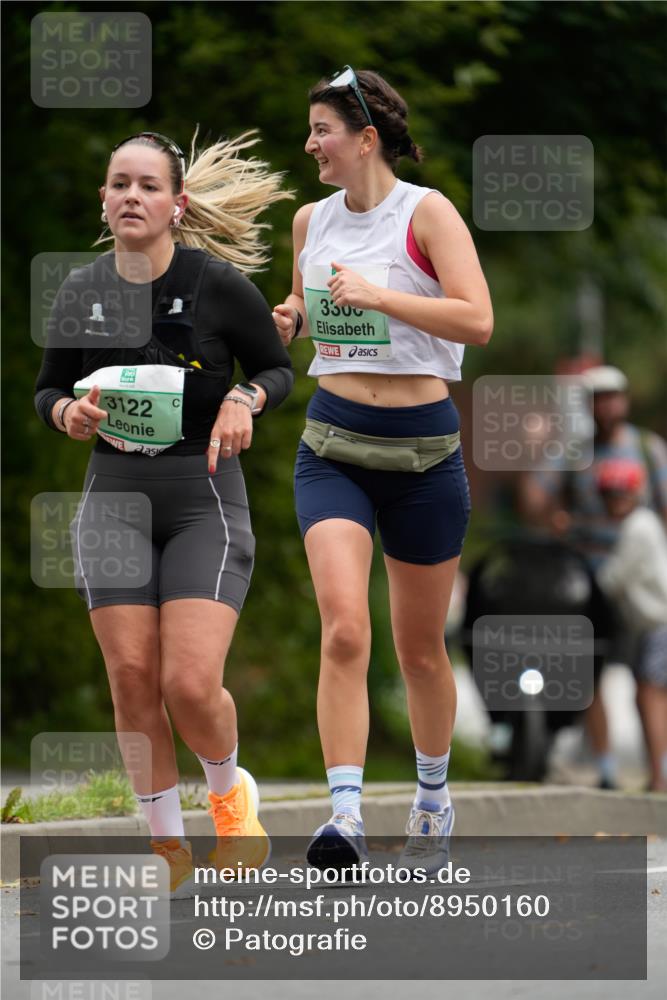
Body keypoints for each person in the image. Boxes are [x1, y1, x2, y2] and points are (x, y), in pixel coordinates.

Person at [34, 130, 293, 895]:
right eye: (119, 184)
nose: (131, 197)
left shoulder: (215, 285)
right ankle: (165, 845)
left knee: (186, 681)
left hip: (202, 498)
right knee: (131, 676)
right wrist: (66, 417)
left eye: (147, 185)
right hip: (112, 497)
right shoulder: (81, 291)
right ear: (104, 199)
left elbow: (276, 368)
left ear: (177, 204)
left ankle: (230, 798)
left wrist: (245, 399)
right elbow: (48, 388)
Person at [273, 66, 493, 872]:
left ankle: (433, 800)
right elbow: (303, 307)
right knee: (342, 629)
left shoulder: (426, 213)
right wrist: (288, 318)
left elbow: (477, 319)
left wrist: (382, 297)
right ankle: (344, 817)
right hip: (333, 444)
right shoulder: (310, 221)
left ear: (365, 138)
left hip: (423, 454)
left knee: (421, 649)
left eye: (322, 130)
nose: (310, 145)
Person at [519, 364, 667, 789]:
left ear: (624, 400)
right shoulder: (572, 452)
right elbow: (535, 499)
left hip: (642, 585)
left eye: (612, 396)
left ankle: (659, 775)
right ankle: (605, 768)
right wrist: (552, 512)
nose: (607, 405)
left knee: (651, 679)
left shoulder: (647, 448)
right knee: (587, 673)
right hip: (591, 583)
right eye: (598, 398)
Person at [595, 458, 667, 792]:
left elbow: (613, 580)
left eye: (622, 493)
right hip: (649, 627)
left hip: (658, 625)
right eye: (610, 493)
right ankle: (657, 774)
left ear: (636, 493)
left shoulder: (638, 526)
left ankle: (659, 777)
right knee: (645, 694)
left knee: (650, 695)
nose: (616, 500)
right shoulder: (641, 523)